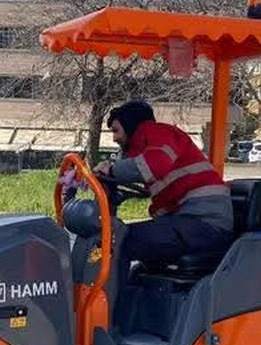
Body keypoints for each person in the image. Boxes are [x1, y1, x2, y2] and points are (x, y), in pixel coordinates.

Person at [93, 100, 233, 276]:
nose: (114, 138)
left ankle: (106, 301)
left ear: (130, 124)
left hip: (206, 224)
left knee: (122, 239)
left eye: (116, 130)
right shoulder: (146, 149)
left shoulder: (157, 132)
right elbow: (160, 188)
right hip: (188, 221)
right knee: (134, 252)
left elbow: (155, 165)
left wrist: (112, 170)